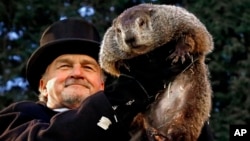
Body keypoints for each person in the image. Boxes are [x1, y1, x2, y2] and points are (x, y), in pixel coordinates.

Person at [0, 18, 214, 141]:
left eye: (88, 66)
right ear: (43, 86)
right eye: (64, 66)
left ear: (101, 83)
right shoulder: (18, 117)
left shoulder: (135, 124)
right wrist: (120, 97)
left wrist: (180, 103)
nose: (77, 72)